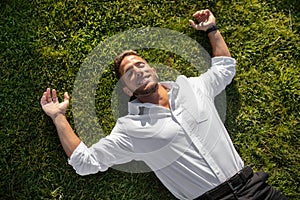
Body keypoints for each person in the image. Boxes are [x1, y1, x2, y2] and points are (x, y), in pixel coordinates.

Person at [40, 9, 287, 200]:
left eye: (140, 64)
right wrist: (58, 116)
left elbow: (224, 69)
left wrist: (212, 28)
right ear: (127, 89)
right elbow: (84, 162)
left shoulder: (193, 87)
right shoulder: (130, 129)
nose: (137, 70)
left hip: (256, 188)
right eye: (128, 72)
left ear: (153, 70)